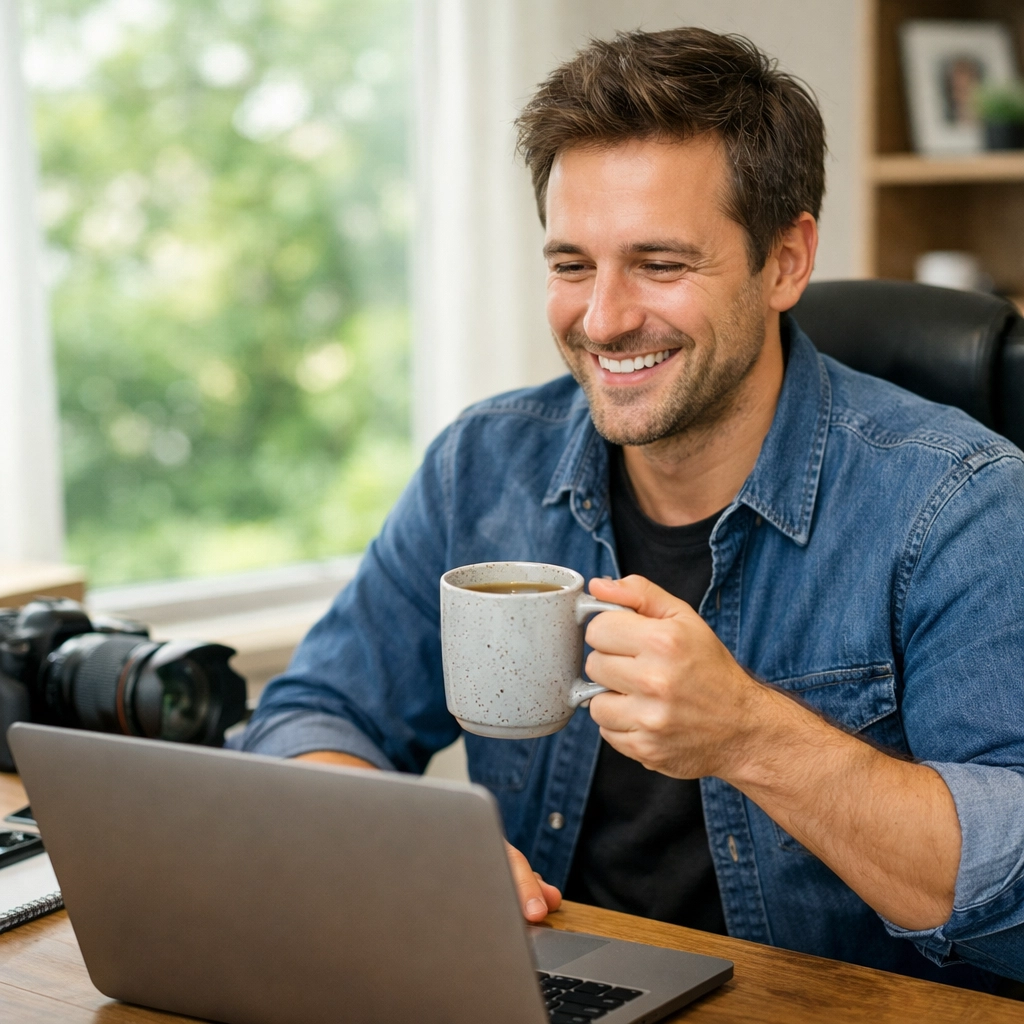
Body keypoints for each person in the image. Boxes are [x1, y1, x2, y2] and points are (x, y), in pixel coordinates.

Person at [238, 28, 1024, 989]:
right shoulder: (483, 465)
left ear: (785, 261)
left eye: (659, 264)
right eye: (572, 265)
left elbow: (1013, 906)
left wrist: (748, 733)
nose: (602, 319)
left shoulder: (959, 505)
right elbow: (313, 714)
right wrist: (404, 856)